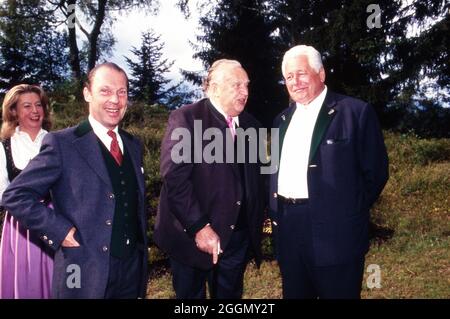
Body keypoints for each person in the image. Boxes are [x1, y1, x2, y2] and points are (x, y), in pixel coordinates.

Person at [2, 63, 148, 299]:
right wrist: (59, 231)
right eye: (105, 91)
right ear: (87, 93)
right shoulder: (62, 144)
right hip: (83, 272)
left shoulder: (133, 145)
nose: (115, 99)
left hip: (131, 272)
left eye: (122, 92)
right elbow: (15, 195)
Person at [269, 45, 389, 299]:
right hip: (289, 230)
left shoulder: (355, 112)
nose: (295, 82)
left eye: (301, 73)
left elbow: (376, 172)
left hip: (337, 235)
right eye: (289, 77)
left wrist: (346, 210)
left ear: (320, 74)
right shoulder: (280, 120)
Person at [155, 59, 266, 299]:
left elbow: (258, 181)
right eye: (236, 85)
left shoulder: (253, 126)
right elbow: (175, 178)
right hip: (190, 238)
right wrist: (199, 227)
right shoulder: (185, 119)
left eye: (247, 85)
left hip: (236, 239)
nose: (245, 92)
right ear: (214, 88)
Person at [0, 84, 53, 298]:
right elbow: (3, 191)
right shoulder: (4, 146)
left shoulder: (57, 142)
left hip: (54, 222)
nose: (34, 111)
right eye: (27, 106)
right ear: (13, 111)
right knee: (24, 284)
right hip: (20, 225)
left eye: (38, 105)